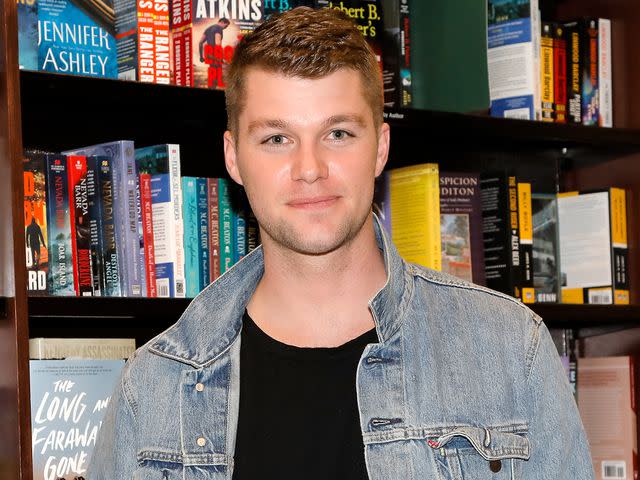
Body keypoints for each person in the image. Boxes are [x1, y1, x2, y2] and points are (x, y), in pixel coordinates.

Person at [88, 7, 595, 480]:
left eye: (338, 134)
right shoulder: (153, 385)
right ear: (234, 157)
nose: (309, 169)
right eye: (276, 139)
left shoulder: (507, 348)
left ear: (381, 147)